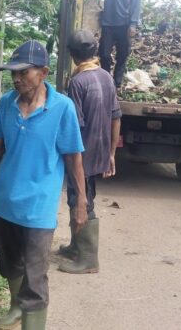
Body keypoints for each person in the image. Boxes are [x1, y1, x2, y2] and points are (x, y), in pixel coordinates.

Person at [0, 40, 87, 330]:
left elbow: (74, 159)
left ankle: (32, 321)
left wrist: (80, 202)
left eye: (24, 73)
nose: (17, 79)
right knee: (9, 264)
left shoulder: (62, 108)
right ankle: (16, 306)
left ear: (43, 72)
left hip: (38, 209)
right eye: (13, 74)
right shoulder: (7, 102)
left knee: (35, 276)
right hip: (5, 203)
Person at [58, 30, 122, 274]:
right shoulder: (106, 76)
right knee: (81, 196)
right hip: (100, 150)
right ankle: (76, 245)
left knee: (82, 199)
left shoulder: (77, 82)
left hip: (82, 154)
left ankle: (87, 259)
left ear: (73, 55)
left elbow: (75, 125)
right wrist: (112, 153)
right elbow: (116, 117)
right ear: (94, 52)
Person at [84, 0, 143, 88]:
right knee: (104, 54)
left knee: (123, 54)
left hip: (125, 24)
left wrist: (133, 23)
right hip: (109, 23)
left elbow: (136, 0)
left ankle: (116, 83)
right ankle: (106, 80)